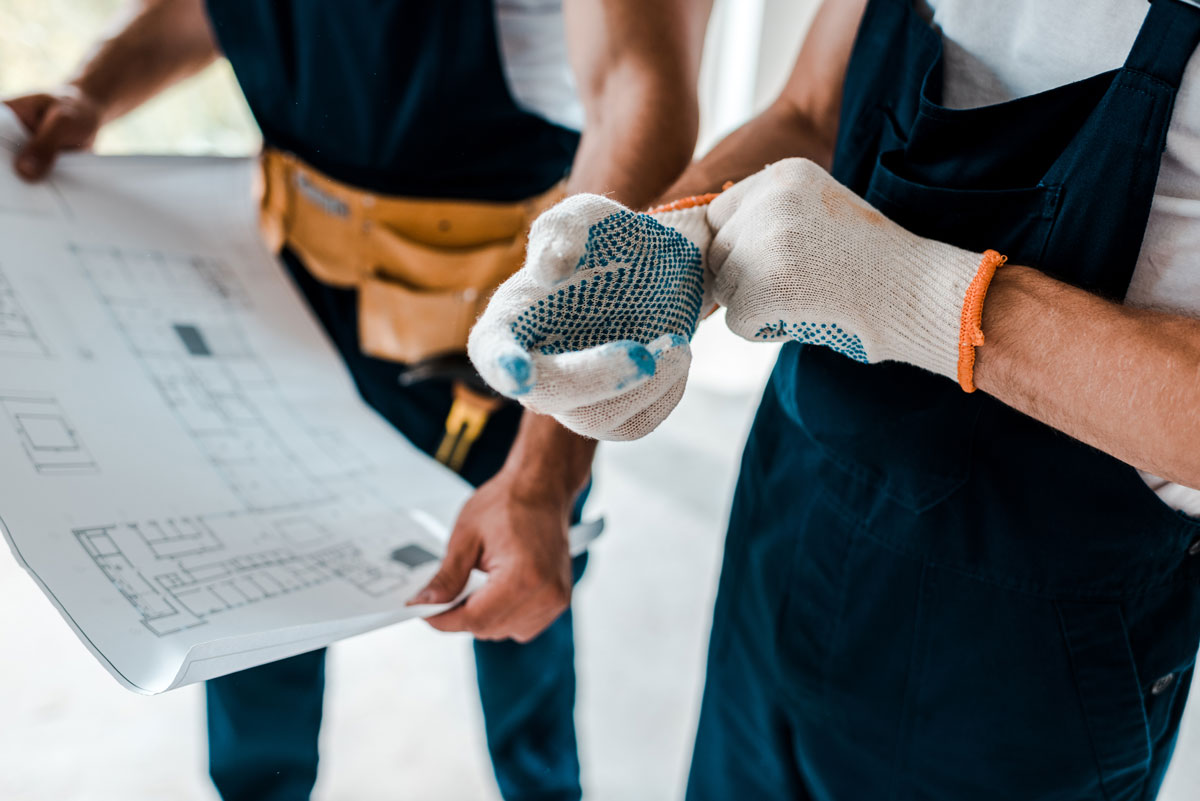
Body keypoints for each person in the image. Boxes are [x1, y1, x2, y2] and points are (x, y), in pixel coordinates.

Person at [458, 0, 1200, 799]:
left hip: (1034, 649)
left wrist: (917, 292)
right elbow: (811, 114)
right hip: (794, 514)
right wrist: (669, 244)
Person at [5, 1, 708, 799]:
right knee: (253, 611)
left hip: (504, 341)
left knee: (520, 600)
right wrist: (93, 89)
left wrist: (548, 470)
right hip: (281, 302)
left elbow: (639, 101)